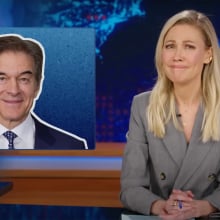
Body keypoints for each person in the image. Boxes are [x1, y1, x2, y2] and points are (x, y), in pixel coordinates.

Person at [120, 9, 220, 219]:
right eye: (170, 46)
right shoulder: (142, 105)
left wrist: (203, 207)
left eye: (189, 47)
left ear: (208, 55)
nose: (177, 56)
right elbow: (130, 188)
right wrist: (160, 205)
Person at [0, 34, 87, 150]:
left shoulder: (72, 148)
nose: (13, 90)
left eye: (24, 79)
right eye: (2, 79)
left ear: (38, 85)